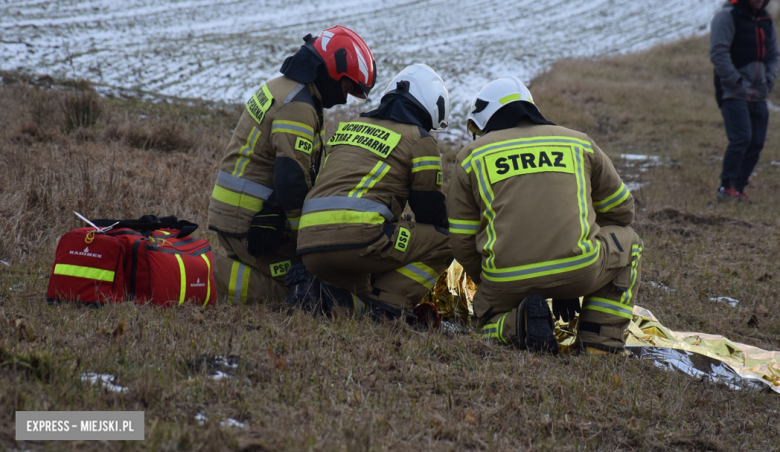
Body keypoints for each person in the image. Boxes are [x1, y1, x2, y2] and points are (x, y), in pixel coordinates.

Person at [447, 77, 643, 355]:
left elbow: (462, 241)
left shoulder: (470, 157)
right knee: (630, 242)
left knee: (487, 326)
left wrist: (493, 282)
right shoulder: (579, 144)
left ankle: (520, 324)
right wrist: (573, 250)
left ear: (484, 121)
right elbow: (623, 211)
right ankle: (601, 343)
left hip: (504, 278)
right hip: (581, 268)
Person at [207, 26, 376, 304]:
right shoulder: (298, 105)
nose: (345, 98)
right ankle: (195, 271)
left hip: (244, 213)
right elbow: (292, 179)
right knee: (297, 289)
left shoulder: (285, 87)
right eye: (346, 88)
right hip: (251, 220)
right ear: (333, 69)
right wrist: (307, 238)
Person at [288, 64, 452, 323]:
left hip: (310, 244)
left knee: (361, 305)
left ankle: (320, 293)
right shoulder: (420, 139)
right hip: (361, 240)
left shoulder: (351, 126)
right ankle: (391, 305)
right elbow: (430, 212)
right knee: (446, 239)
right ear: (431, 106)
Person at [711, 0, 778, 202]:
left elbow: (774, 54)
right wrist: (736, 82)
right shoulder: (727, 16)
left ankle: (738, 190)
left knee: (756, 143)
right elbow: (718, 52)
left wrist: (769, 79)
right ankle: (726, 189)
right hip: (733, 92)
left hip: (759, 93)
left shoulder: (765, 18)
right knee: (741, 138)